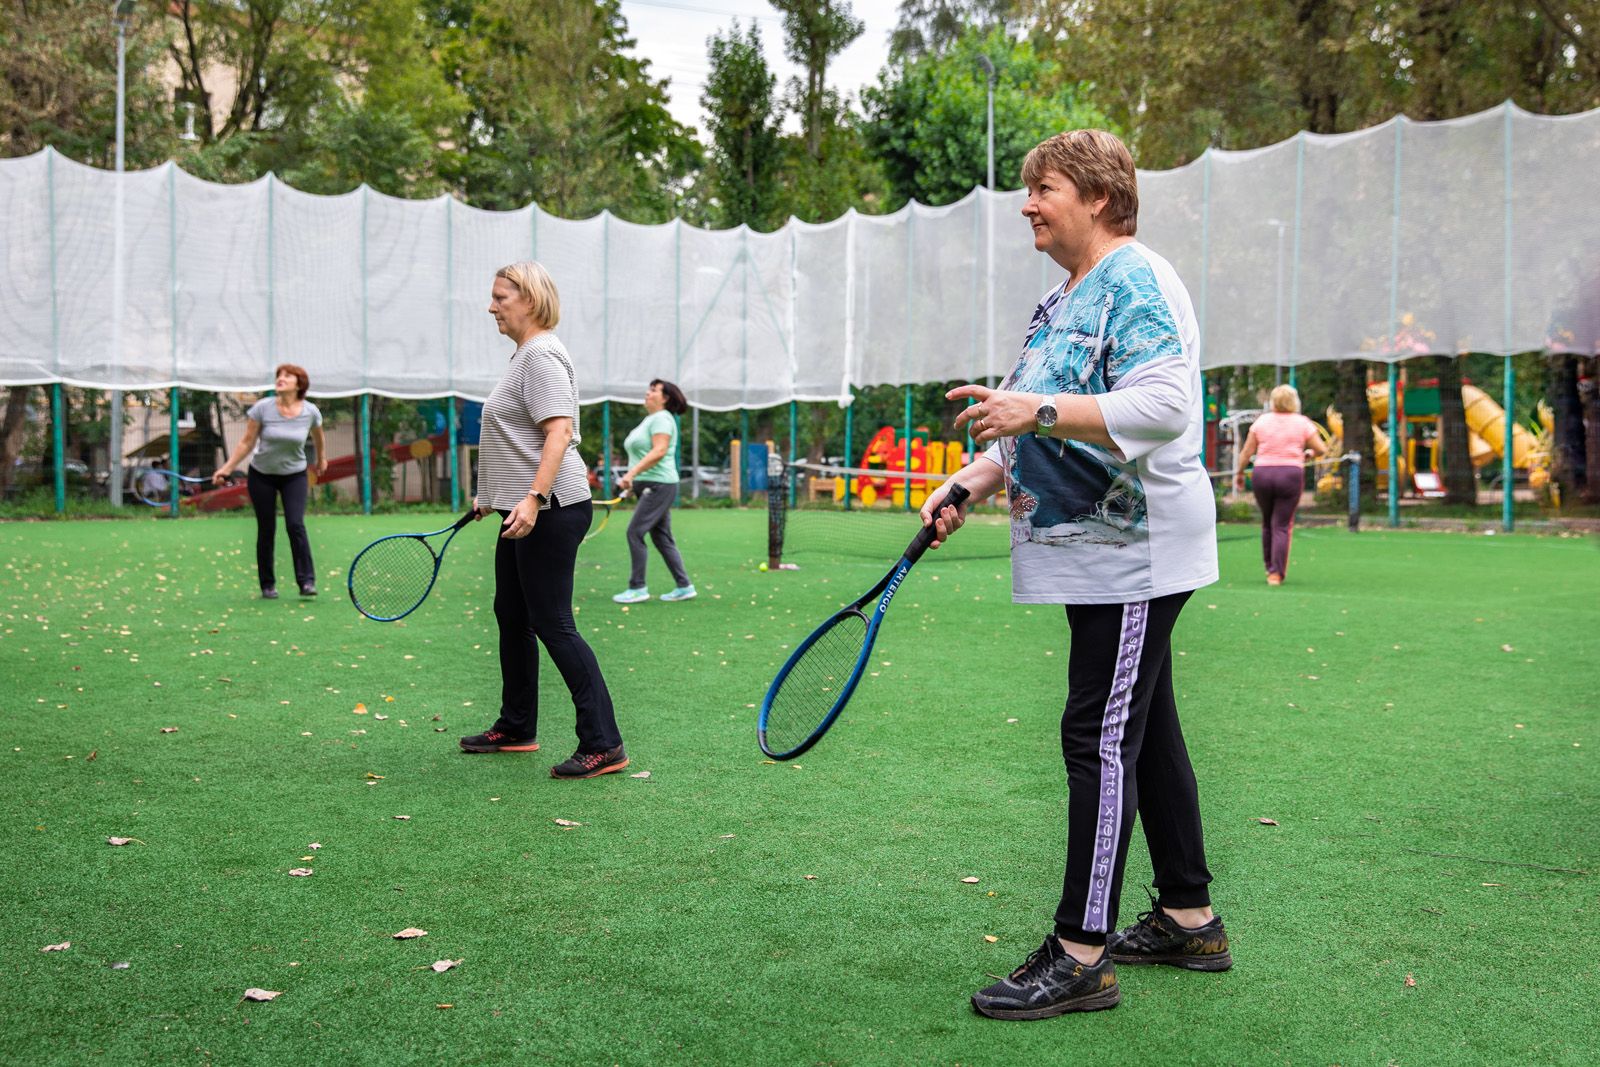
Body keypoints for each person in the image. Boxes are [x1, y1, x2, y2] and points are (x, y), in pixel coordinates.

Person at [918, 129, 1230, 1021]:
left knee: (1097, 734)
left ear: (1097, 196)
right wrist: (971, 482)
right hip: (1093, 551)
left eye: (1042, 187)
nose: (1027, 203)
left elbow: (1166, 404)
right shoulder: (1061, 301)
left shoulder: (1136, 279)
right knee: (1145, 728)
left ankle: (1081, 950)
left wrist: (1039, 406)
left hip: (1134, 552)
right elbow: (1028, 424)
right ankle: (1188, 915)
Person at [458, 260, 628, 780]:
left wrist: (532, 497)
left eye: (500, 297)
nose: (491, 306)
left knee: (553, 623)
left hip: (551, 508)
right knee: (511, 613)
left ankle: (604, 744)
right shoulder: (523, 356)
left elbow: (558, 432)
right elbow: (517, 437)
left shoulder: (542, 355)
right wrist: (494, 495)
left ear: (529, 299)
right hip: (523, 506)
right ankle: (516, 727)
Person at [214, 363, 327, 599]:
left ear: (299, 384)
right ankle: (267, 584)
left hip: (294, 475)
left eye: (287, 376)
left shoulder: (310, 411)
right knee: (267, 528)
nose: (281, 379)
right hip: (262, 475)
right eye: (279, 376)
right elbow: (246, 442)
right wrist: (226, 468)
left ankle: (306, 581)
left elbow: (318, 437)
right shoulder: (262, 409)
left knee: (295, 524)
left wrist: (322, 459)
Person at [1233, 384, 1327, 585]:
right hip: (1290, 474)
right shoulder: (1302, 422)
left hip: (1263, 474)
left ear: (1273, 402)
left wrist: (1239, 473)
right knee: (1282, 525)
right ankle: (1276, 573)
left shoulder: (1262, 422)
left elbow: (1246, 452)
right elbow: (1321, 448)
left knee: (1267, 522)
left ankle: (1269, 568)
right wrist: (1308, 454)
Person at [613, 379, 696, 604]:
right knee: (662, 538)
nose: (647, 393)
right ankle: (684, 585)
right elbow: (642, 456)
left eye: (653, 390)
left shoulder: (662, 419)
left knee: (635, 532)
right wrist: (633, 482)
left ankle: (637, 587)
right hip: (650, 485)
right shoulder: (650, 419)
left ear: (665, 398)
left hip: (659, 485)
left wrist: (630, 475)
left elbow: (659, 451)